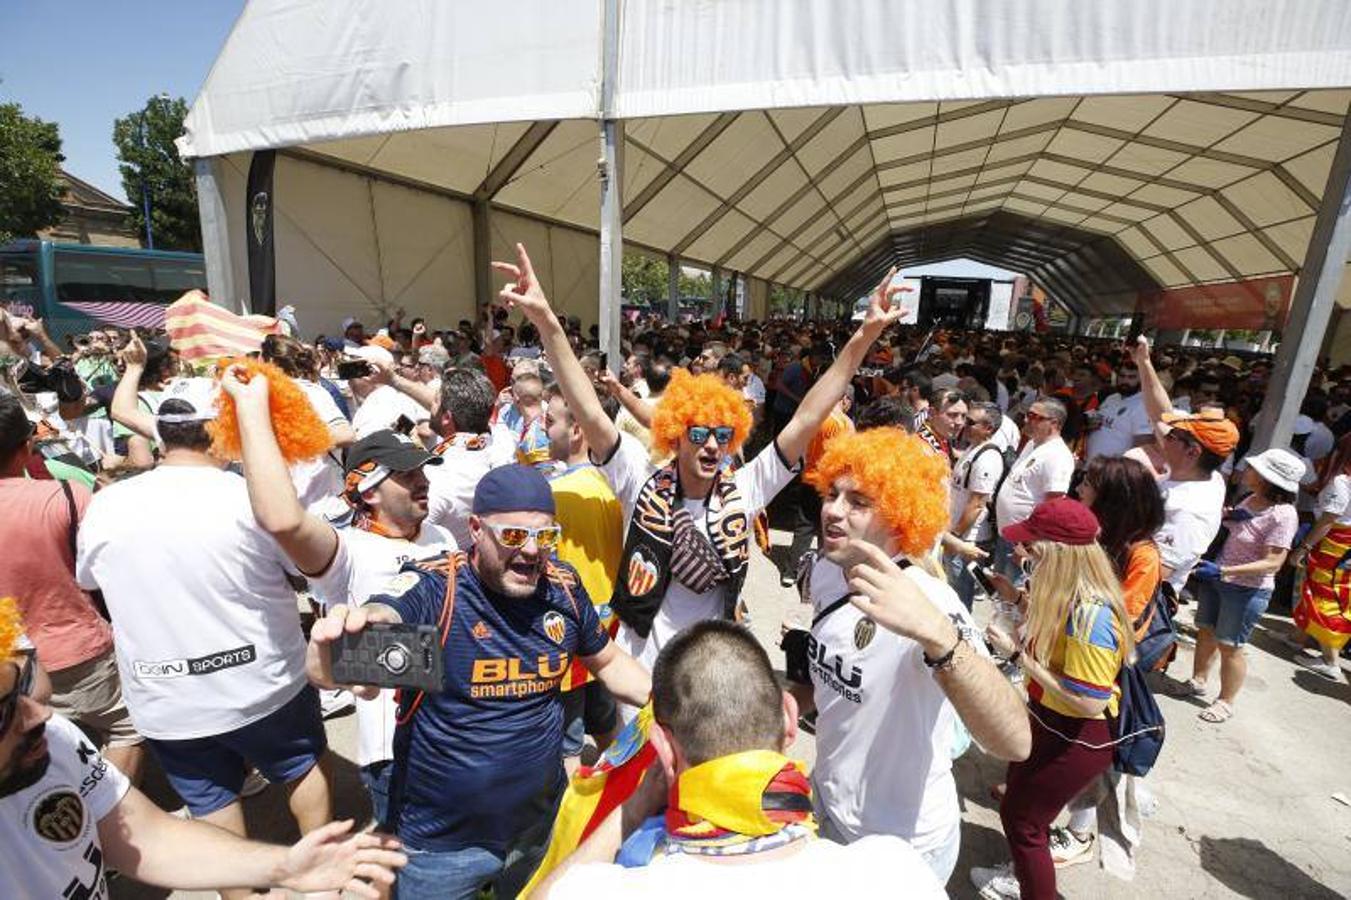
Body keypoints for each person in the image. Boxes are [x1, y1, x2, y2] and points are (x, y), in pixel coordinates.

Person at [495, 243, 908, 675]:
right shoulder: (639, 477)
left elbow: (807, 415)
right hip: (641, 667)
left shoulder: (745, 488)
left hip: (708, 672)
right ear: (677, 436)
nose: (712, 445)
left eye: (723, 435)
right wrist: (546, 322)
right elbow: (590, 412)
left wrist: (862, 339)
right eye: (699, 433)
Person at [306, 464, 652, 900]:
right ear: (475, 529)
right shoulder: (439, 591)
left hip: (536, 827)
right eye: (512, 536)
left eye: (545, 538)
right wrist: (343, 636)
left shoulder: (561, 587)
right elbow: (337, 660)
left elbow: (610, 662)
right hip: (443, 845)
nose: (531, 552)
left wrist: (672, 705)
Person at [75, 376, 336, 900]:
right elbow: (305, 570)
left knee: (211, 800)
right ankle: (324, 873)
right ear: (220, 435)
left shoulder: (106, 505)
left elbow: (90, 582)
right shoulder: (246, 497)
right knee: (301, 766)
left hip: (170, 699)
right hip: (265, 684)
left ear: (163, 436)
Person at [0, 604, 408, 899]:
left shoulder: (50, 741)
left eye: (24, 679)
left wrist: (285, 867)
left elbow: (149, 837)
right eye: (3, 711)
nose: (39, 714)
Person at [534, 621, 948, 899]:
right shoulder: (897, 875)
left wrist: (635, 805)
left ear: (662, 748)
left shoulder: (608, 890)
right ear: (790, 718)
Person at [790, 427, 1031, 885]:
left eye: (859, 502)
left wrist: (940, 639)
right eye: (832, 494)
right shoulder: (828, 569)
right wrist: (794, 701)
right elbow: (846, 676)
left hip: (903, 845)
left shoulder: (931, 604)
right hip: (828, 805)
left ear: (900, 516)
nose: (833, 511)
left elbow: (1015, 741)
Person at [226, 365, 457, 824]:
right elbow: (284, 521)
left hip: (457, 730)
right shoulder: (346, 551)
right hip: (396, 749)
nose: (423, 482)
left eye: (423, 472)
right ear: (366, 491)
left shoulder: (440, 538)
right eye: (407, 476)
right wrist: (251, 411)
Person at [974, 498, 1132, 900]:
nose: (1019, 551)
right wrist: (1016, 600)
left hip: (1079, 733)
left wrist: (1015, 656)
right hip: (1048, 720)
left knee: (1024, 822)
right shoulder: (1066, 593)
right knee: (1020, 807)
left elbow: (1089, 702)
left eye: (1030, 544)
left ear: (1056, 552)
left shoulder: (1091, 616)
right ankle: (1023, 877)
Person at [0, 396, 144, 782]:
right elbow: (114, 562)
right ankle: (99, 811)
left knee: (28, 748)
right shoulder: (66, 495)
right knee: (126, 727)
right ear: (27, 444)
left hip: (9, 666)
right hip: (77, 647)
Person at [1052, 455, 1165, 871]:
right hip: (1073, 654)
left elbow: (1126, 622)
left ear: (1115, 497)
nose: (1080, 487)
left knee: (1096, 755)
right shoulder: (1100, 536)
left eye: (1090, 483)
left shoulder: (1142, 555)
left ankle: (1079, 834)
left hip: (1104, 671)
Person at [1178, 449, 1302, 722]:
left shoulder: (1283, 514)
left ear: (1269, 479)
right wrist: (1229, 516)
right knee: (1206, 632)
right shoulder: (1250, 499)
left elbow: (1273, 562)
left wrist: (1224, 570)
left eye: (1254, 469)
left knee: (1230, 645)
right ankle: (1198, 680)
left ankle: (1225, 701)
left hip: (1245, 589)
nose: (1246, 470)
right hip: (1218, 580)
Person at [543, 383, 626, 771]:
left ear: (577, 429)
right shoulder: (614, 485)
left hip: (567, 637)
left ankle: (571, 826)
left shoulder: (555, 494)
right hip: (606, 630)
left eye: (550, 420)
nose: (545, 429)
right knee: (608, 725)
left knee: (567, 747)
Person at [1132, 337, 1239, 591]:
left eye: (1173, 435)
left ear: (1192, 451)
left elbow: (1151, 577)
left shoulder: (1188, 512)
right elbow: (1159, 414)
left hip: (1137, 613)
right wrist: (1144, 363)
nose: (1163, 432)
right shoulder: (1203, 475)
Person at [1289, 434, 1351, 679]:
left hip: (1332, 546)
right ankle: (1298, 637)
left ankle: (1330, 659)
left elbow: (1327, 520)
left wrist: (1303, 547)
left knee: (1323, 593)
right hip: (1344, 547)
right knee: (1320, 590)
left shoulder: (1342, 482)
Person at [992, 398, 1075, 582]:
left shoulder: (1057, 455)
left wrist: (1029, 547)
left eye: (1034, 416)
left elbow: (1053, 507)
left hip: (1024, 544)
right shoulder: (1032, 443)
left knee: (1016, 600)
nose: (1026, 420)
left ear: (1054, 423)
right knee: (1000, 597)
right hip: (1007, 536)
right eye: (1027, 415)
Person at [779, 388, 854, 587]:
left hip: (808, 477)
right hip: (830, 484)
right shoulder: (844, 424)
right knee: (827, 529)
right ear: (845, 400)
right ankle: (823, 574)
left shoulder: (815, 419)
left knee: (804, 527)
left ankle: (790, 572)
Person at [943, 401, 1006, 608]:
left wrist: (955, 536)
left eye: (970, 422)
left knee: (959, 597)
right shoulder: (974, 447)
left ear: (988, 428)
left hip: (967, 539)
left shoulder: (987, 457)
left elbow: (977, 504)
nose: (963, 424)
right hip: (958, 536)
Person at [1084, 361, 1152, 462]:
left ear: (1141, 379)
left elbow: (1142, 446)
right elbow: (1096, 423)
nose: (1125, 381)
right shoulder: (1112, 398)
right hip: (1090, 464)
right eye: (1122, 376)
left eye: (1131, 377)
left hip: (1114, 471)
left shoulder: (1144, 405)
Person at [916, 387, 968, 463]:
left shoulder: (942, 436)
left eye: (963, 416)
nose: (959, 422)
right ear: (932, 413)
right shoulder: (922, 447)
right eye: (952, 415)